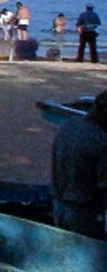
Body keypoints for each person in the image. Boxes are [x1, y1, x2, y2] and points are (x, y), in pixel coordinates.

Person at [51, 90, 107, 235]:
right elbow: (104, 183)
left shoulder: (67, 126)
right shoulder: (101, 141)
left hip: (59, 206)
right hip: (85, 213)